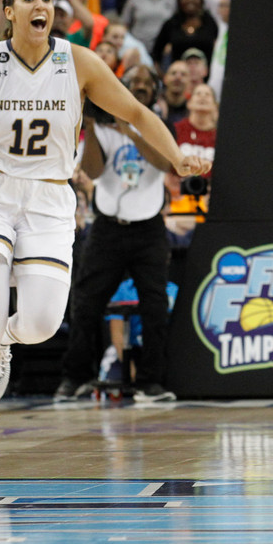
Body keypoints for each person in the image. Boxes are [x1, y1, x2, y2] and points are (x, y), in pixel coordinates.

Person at [0, 0, 210, 459]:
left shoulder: (77, 62)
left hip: (49, 194)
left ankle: (6, 342)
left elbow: (136, 113)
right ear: (9, 12)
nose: (42, 5)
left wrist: (178, 157)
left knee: (42, 324)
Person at [55, 64, 178, 403]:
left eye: (146, 83)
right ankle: (75, 376)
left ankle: (151, 382)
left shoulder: (160, 127)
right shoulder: (104, 126)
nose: (139, 87)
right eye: (133, 82)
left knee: (155, 305)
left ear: (154, 92)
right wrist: (92, 126)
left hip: (149, 227)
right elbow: (92, 170)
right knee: (86, 302)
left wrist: (131, 131)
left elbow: (166, 163)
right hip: (108, 227)